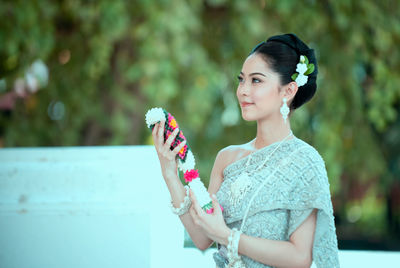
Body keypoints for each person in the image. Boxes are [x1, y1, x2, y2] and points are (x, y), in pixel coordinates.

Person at [151, 33, 339, 268]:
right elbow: (202, 238)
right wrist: (169, 171)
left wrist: (228, 237)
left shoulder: (305, 162)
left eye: (256, 80)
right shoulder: (227, 157)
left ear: (288, 91)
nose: (242, 91)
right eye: (241, 80)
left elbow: (300, 257)